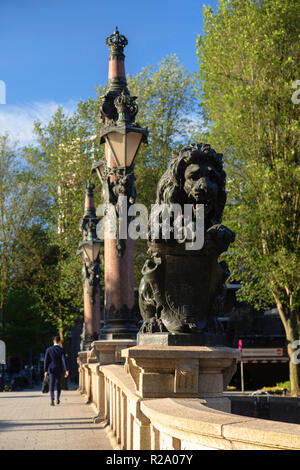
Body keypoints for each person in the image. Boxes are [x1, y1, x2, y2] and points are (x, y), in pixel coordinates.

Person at [44, 336, 69, 406]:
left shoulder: (49, 350)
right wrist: (66, 369)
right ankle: (58, 398)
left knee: (51, 385)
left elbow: (46, 361)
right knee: (58, 384)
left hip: (51, 369)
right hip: (59, 369)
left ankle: (52, 399)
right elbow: (64, 360)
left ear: (53, 341)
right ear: (59, 341)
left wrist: (45, 370)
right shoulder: (61, 350)